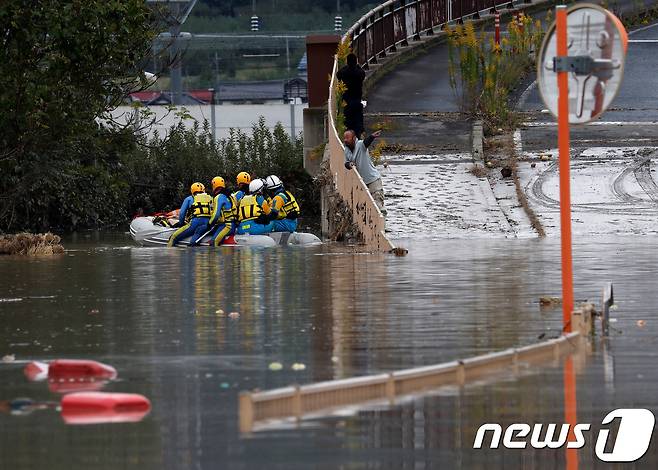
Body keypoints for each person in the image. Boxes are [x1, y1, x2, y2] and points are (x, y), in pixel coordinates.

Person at [343, 129, 386, 216]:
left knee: (378, 203)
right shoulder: (346, 149)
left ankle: (382, 225)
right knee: (364, 206)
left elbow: (366, 142)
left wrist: (372, 136)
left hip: (373, 179)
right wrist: (350, 164)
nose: (345, 140)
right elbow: (346, 163)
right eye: (344, 138)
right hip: (362, 182)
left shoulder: (360, 145)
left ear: (354, 138)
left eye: (348, 138)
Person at [168, 182, 213, 247]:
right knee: (195, 237)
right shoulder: (210, 198)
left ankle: (169, 254)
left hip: (195, 223)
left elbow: (182, 214)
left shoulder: (189, 199)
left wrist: (181, 224)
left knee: (173, 237)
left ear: (192, 190)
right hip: (207, 224)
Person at [337, 53, 366, 137]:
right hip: (357, 99)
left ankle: (349, 138)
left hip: (347, 100)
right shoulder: (359, 72)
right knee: (358, 119)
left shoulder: (343, 72)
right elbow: (363, 74)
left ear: (347, 62)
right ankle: (358, 135)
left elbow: (338, 74)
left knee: (348, 121)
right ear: (356, 61)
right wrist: (357, 66)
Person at [208, 176, 237, 246]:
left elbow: (216, 215)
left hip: (227, 226)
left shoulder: (219, 197)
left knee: (213, 242)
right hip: (233, 225)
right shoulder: (231, 196)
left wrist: (209, 224)